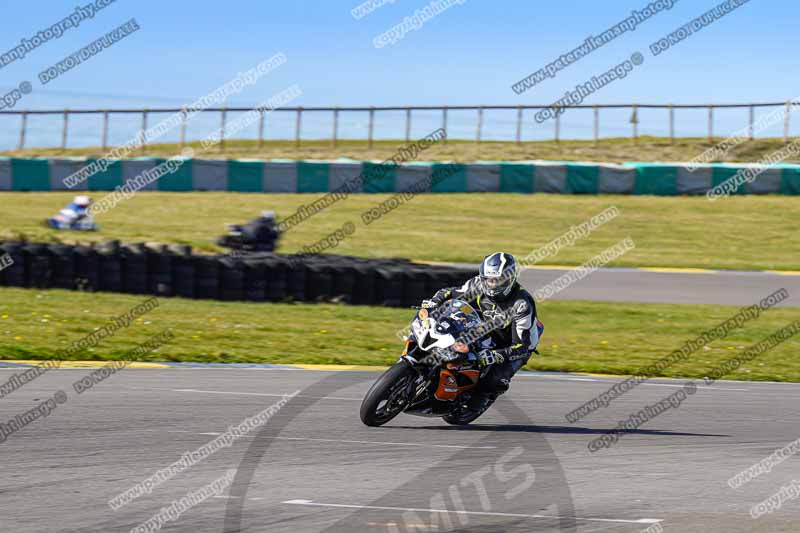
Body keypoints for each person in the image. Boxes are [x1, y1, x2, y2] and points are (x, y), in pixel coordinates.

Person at [422, 251, 543, 411]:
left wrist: (496, 355)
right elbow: (450, 293)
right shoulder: (477, 283)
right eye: (489, 279)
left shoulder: (521, 303)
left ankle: (481, 399)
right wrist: (433, 302)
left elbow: (522, 346)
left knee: (494, 380)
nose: (493, 284)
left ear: (511, 278)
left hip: (512, 343)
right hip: (483, 328)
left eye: (499, 280)